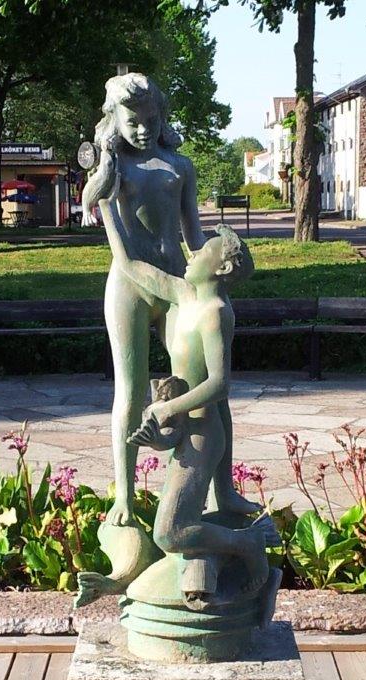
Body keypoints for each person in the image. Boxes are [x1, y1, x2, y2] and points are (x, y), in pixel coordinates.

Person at [82, 73, 258, 527]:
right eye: (132, 122)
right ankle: (125, 495)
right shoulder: (113, 171)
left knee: (208, 390)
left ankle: (225, 490)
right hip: (131, 287)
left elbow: (193, 236)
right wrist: (178, 288)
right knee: (130, 391)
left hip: (180, 284)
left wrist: (213, 281)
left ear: (162, 116)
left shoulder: (180, 166)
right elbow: (120, 251)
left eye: (151, 120)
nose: (143, 129)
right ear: (114, 119)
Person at [99, 194, 276, 595]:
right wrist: (106, 208)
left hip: (203, 436)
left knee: (169, 533)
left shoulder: (216, 314)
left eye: (203, 251)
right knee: (174, 528)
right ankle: (213, 554)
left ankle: (247, 544)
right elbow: (129, 266)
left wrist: (166, 409)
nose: (192, 252)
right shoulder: (183, 294)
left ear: (222, 268)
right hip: (182, 429)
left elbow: (219, 384)